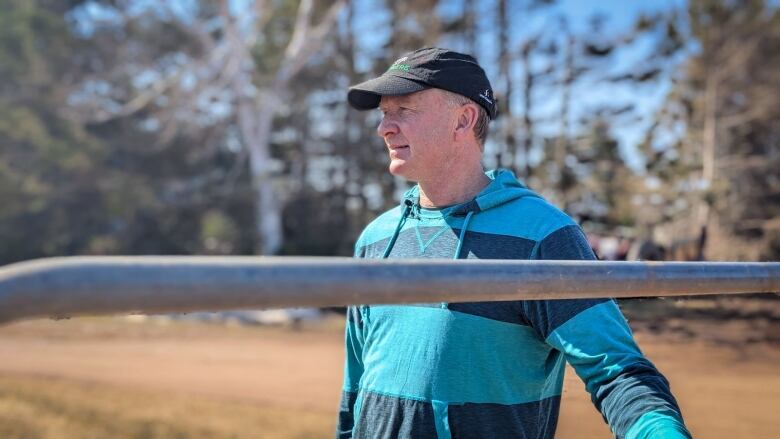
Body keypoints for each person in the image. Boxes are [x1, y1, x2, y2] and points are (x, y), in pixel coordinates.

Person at [338, 47, 691, 439]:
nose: (384, 127)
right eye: (384, 113)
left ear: (463, 119)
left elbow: (618, 372)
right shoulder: (376, 238)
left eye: (403, 109)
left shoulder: (542, 235)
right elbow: (355, 386)